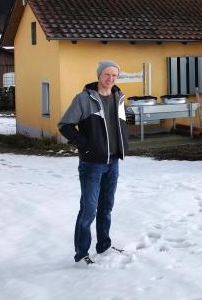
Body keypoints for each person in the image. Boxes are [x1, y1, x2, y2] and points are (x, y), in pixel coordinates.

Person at [59, 60, 129, 265]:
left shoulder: (119, 98)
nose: (111, 78)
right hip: (92, 163)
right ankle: (81, 254)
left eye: (115, 75)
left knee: (106, 206)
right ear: (99, 75)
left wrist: (124, 143)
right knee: (89, 209)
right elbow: (65, 125)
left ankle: (104, 246)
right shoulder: (84, 99)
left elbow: (122, 125)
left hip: (113, 161)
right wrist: (86, 145)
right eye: (107, 74)